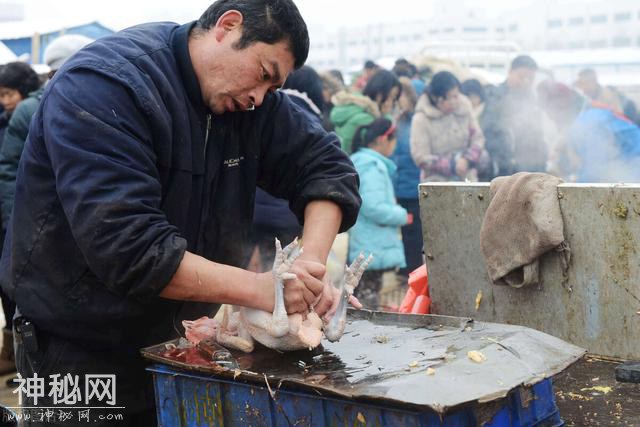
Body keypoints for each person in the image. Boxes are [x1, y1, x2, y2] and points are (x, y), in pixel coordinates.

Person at [0, 1, 361, 424]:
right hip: (77, 345)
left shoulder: (249, 105)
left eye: (273, 89)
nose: (258, 99)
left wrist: (310, 267)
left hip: (184, 339)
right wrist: (266, 289)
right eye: (263, 74)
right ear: (227, 27)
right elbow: (132, 250)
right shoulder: (105, 86)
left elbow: (327, 168)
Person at [251, 65, 326, 271]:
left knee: (249, 266)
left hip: (252, 213)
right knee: (282, 272)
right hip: (287, 218)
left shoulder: (261, 113)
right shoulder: (312, 125)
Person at [0, 61, 41, 376]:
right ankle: (13, 351)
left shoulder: (26, 113)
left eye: (8, 93)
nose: (5, 100)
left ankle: (18, 353)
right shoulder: (17, 117)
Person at [348, 118, 409, 309]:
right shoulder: (371, 166)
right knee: (365, 298)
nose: (395, 145)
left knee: (366, 294)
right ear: (383, 140)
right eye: (394, 140)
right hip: (371, 243)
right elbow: (373, 206)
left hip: (369, 241)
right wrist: (401, 215)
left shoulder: (366, 162)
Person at [538, 80, 640, 183]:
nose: (549, 117)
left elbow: (594, 168)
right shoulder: (587, 115)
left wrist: (571, 189)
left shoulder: (589, 121)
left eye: (548, 110)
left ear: (560, 106)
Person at [410, 71, 486, 182]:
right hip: (436, 185)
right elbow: (420, 156)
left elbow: (477, 138)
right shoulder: (421, 119)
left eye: (456, 96)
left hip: (467, 179)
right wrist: (452, 164)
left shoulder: (464, 107)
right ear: (436, 98)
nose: (454, 102)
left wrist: (467, 159)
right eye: (449, 98)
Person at [481, 55, 547, 177]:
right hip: (501, 170)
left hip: (528, 169)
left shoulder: (533, 101)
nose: (525, 81)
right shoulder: (494, 96)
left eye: (530, 78)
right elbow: (487, 130)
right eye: (521, 76)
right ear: (510, 72)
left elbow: (539, 136)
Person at [390, 77, 423, 278]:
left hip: (412, 186)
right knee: (403, 231)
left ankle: (412, 272)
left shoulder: (416, 122)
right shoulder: (397, 120)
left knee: (413, 234)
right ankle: (406, 268)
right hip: (398, 185)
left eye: (400, 95)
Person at [331, 69, 401, 153]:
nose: (392, 103)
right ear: (379, 94)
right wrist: (387, 118)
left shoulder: (353, 108)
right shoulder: (367, 120)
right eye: (391, 97)